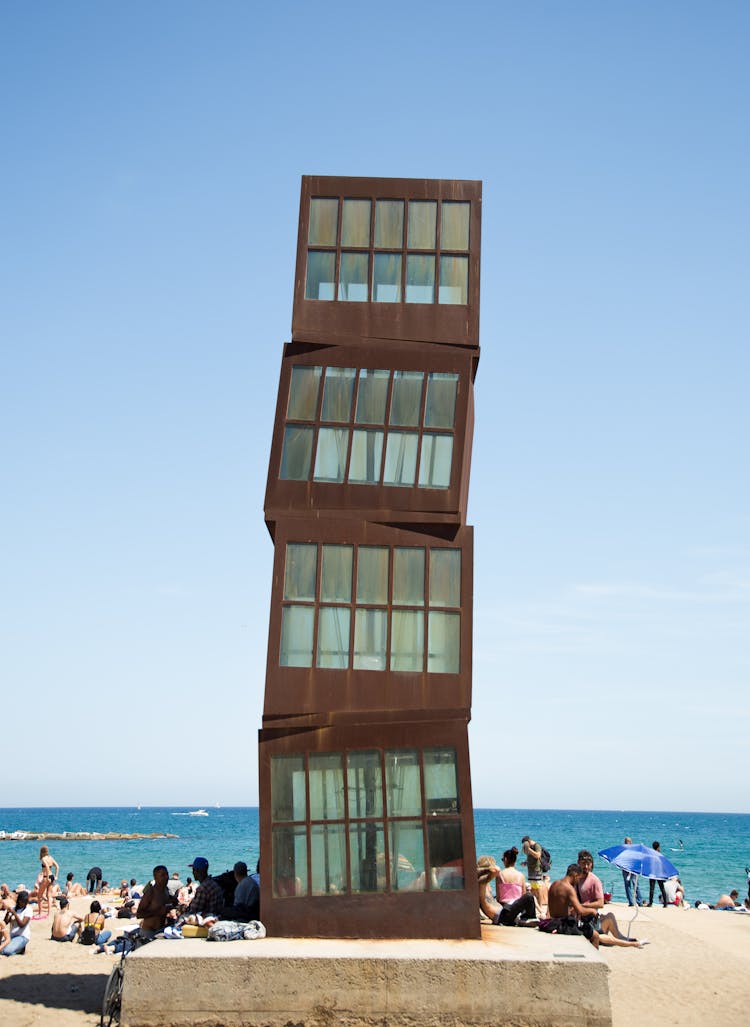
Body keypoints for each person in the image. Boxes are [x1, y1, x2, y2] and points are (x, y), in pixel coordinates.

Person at [541, 866, 642, 949]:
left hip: (552, 922)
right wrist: (592, 911)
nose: (577, 881)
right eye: (578, 878)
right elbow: (580, 910)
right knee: (595, 936)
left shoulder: (554, 884)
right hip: (563, 924)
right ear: (575, 875)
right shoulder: (569, 889)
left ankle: (630, 943)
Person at [575, 850, 640, 946]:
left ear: (592, 865)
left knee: (610, 916)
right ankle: (622, 939)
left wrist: (582, 905)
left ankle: (622, 938)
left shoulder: (594, 880)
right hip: (581, 920)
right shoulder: (576, 878)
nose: (586, 867)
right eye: (583, 863)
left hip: (590, 920)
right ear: (578, 863)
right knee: (609, 918)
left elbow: (600, 903)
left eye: (588, 864)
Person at [477, 855, 537, 926]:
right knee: (528, 896)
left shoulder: (484, 884)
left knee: (528, 899)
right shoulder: (482, 883)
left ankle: (525, 919)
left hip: (503, 913)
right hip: (501, 916)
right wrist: (487, 869)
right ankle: (527, 919)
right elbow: (497, 870)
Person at [136, 865, 175, 938]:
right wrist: (157, 912)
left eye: (167, 874)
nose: (166, 877)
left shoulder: (166, 890)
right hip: (149, 932)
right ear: (155, 877)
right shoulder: (150, 893)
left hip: (161, 930)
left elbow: (167, 906)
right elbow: (139, 914)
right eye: (162, 875)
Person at [521, 835, 548, 916]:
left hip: (537, 870)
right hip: (530, 871)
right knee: (533, 890)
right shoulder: (529, 847)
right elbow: (530, 857)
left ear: (528, 841)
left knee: (538, 890)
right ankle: (534, 907)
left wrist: (529, 849)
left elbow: (537, 855)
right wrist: (525, 862)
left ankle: (540, 906)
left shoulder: (536, 845)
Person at [1, 891, 33, 955]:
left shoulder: (28, 910)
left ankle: (20, 949)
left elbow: (22, 925)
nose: (24, 903)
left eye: (25, 902)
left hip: (22, 936)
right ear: (19, 900)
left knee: (7, 951)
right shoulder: (13, 908)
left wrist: (14, 914)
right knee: (2, 947)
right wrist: (8, 913)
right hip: (12, 935)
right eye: (22, 901)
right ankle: (18, 948)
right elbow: (5, 922)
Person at [37, 845, 60, 919]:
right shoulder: (50, 858)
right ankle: (49, 913)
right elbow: (57, 866)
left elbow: (46, 867)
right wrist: (56, 876)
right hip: (52, 876)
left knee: (39, 896)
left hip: (46, 877)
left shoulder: (43, 859)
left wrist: (46, 877)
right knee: (49, 895)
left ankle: (40, 913)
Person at [621, 837, 643, 906]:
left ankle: (634, 901)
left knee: (631, 885)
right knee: (634, 885)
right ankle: (637, 901)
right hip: (630, 868)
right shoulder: (634, 850)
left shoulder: (624, 850)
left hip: (629, 869)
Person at [647, 843, 668, 907]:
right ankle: (665, 904)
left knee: (651, 889)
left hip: (652, 873)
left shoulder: (651, 855)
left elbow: (649, 863)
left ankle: (650, 903)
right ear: (658, 847)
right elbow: (663, 864)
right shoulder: (660, 855)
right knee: (662, 888)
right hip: (659, 873)